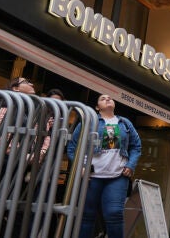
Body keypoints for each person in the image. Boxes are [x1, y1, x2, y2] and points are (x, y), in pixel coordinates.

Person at [66, 93, 142, 238]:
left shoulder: (124, 123)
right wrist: (80, 167)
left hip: (117, 176)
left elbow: (136, 147)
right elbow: (72, 148)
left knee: (114, 213)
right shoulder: (89, 122)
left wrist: (130, 165)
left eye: (110, 98)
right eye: (103, 98)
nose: (107, 99)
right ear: (97, 107)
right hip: (91, 176)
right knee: (87, 215)